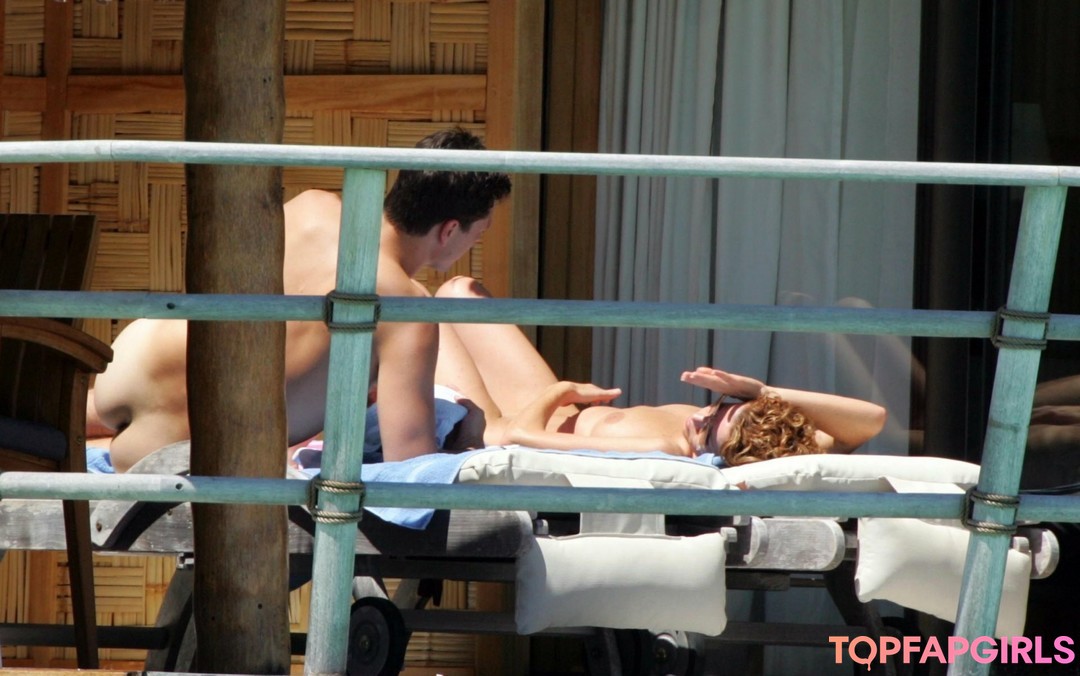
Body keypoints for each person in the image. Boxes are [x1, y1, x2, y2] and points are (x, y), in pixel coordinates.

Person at [88, 128, 511, 472]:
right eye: (480, 233)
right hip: (179, 440)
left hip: (130, 359)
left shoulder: (311, 206)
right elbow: (409, 465)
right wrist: (469, 436)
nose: (474, 243)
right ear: (449, 230)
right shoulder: (406, 308)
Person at [432, 276, 888, 465]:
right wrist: (759, 389)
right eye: (717, 408)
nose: (699, 417)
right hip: (547, 404)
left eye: (707, 432)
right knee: (458, 291)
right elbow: (871, 419)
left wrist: (563, 390)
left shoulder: (667, 448)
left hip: (495, 426)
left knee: (415, 308)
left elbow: (519, 437)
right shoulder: (774, 442)